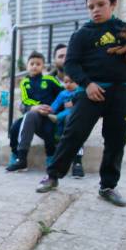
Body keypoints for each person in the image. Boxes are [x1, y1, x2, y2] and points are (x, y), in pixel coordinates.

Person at [36, 0, 126, 207]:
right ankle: (53, 176)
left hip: (120, 93)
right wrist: (87, 84)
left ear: (113, 4)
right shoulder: (82, 34)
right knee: (73, 134)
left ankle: (108, 186)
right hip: (90, 93)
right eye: (91, 7)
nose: (95, 10)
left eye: (100, 5)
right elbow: (71, 64)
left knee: (116, 140)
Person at [6, 51, 63, 172]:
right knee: (15, 127)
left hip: (49, 114)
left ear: (43, 66)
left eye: (38, 64)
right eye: (32, 63)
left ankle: (50, 156)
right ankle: (17, 155)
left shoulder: (50, 79)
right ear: (27, 66)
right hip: (34, 113)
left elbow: (61, 94)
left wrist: (51, 108)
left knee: (49, 130)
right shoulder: (24, 82)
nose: (34, 66)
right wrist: (37, 107)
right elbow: (25, 100)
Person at [51, 44, 85, 178]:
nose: (65, 59)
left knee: (73, 120)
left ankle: (77, 162)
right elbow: (51, 104)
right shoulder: (48, 81)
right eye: (60, 56)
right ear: (54, 60)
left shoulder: (82, 79)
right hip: (54, 123)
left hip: (76, 119)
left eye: (67, 55)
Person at [47, 75, 83, 176]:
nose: (68, 84)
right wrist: (49, 109)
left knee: (66, 115)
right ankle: (58, 136)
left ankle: (77, 161)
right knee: (63, 118)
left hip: (77, 113)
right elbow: (55, 104)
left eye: (71, 82)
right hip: (67, 114)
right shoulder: (63, 94)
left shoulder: (80, 92)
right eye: (66, 82)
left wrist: (74, 103)